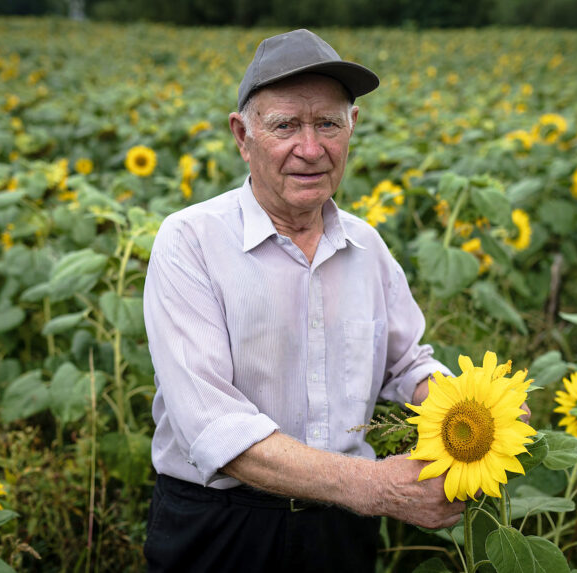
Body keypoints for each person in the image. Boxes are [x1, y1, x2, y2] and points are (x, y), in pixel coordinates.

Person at [142, 28, 510, 572]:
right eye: (286, 125)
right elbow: (213, 425)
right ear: (243, 136)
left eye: (328, 125)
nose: (311, 149)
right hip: (220, 527)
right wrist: (375, 486)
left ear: (352, 128)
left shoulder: (367, 246)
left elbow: (407, 365)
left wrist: (478, 410)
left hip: (340, 533)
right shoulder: (190, 241)